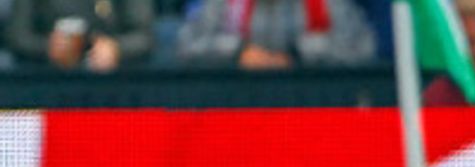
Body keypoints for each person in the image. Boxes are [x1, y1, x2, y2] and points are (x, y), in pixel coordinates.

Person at [177, 0, 376, 69]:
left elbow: (363, 47)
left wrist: (298, 52)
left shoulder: (327, 3)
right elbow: (187, 45)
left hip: (312, 108)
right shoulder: (225, 3)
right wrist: (239, 51)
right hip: (237, 109)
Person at [5, 0, 154, 71]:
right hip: (43, 79)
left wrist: (117, 48)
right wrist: (46, 48)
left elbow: (144, 37)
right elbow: (17, 36)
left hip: (112, 83)